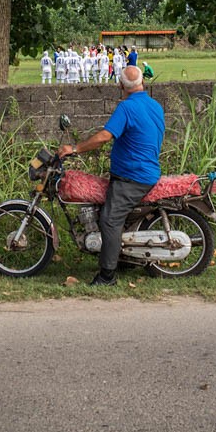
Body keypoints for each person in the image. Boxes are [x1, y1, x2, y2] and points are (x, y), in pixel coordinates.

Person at [58, 65, 165, 286]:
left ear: (120, 85)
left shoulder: (126, 108)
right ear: (142, 83)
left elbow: (105, 136)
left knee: (109, 220)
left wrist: (75, 148)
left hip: (133, 177)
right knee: (114, 215)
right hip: (144, 171)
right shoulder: (155, 106)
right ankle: (122, 257)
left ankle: (107, 276)